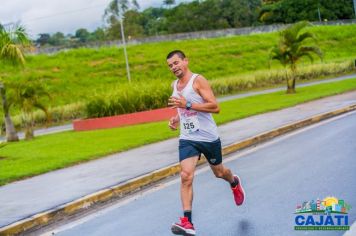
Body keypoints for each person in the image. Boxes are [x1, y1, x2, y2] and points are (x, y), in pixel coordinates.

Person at [167, 50, 245, 236]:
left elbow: (215, 107)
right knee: (186, 176)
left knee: (219, 172)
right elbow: (183, 108)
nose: (174, 67)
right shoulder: (174, 85)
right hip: (188, 138)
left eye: (176, 63)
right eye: (170, 65)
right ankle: (187, 222)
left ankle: (234, 182)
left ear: (185, 61)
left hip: (208, 137)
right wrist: (176, 119)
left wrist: (187, 105)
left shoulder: (198, 81)